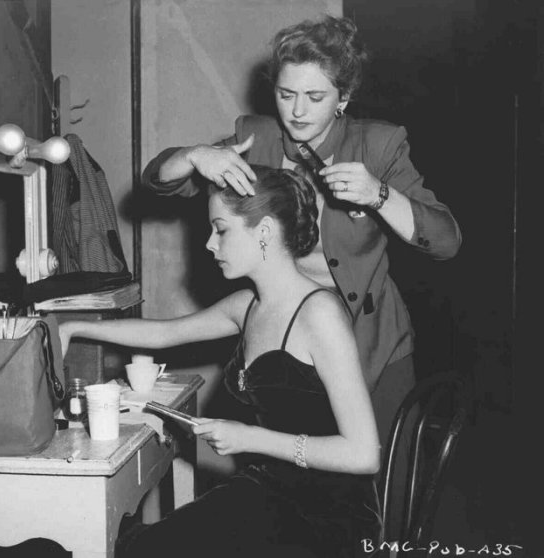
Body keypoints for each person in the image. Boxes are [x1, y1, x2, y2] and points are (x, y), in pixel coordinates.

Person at [140, 15, 462, 467]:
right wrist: (196, 156)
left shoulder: (379, 146)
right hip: (290, 349)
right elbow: (157, 179)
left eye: (315, 97)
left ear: (343, 98)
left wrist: (379, 195)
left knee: (380, 477)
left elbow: (446, 241)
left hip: (372, 344)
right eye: (286, 94)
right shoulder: (257, 139)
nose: (297, 112)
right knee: (287, 474)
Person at [60, 165, 382, 557]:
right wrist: (75, 328)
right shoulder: (247, 306)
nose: (210, 244)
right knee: (140, 545)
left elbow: (364, 454)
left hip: (328, 516)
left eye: (221, 230)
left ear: (264, 231)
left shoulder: (320, 314)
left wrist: (250, 438)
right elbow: (164, 334)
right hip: (271, 490)